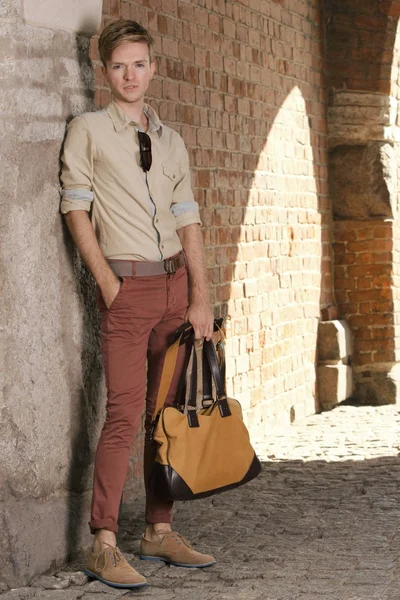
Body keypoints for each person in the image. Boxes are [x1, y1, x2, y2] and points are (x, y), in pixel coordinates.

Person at [60, 19, 216, 590]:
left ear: (153, 67)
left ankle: (157, 529)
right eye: (119, 66)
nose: (130, 75)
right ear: (105, 71)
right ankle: (103, 542)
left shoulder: (171, 139)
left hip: (176, 291)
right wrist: (106, 282)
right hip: (128, 290)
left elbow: (188, 219)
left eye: (139, 64)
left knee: (164, 417)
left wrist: (200, 294)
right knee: (125, 415)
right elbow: (75, 207)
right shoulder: (89, 130)